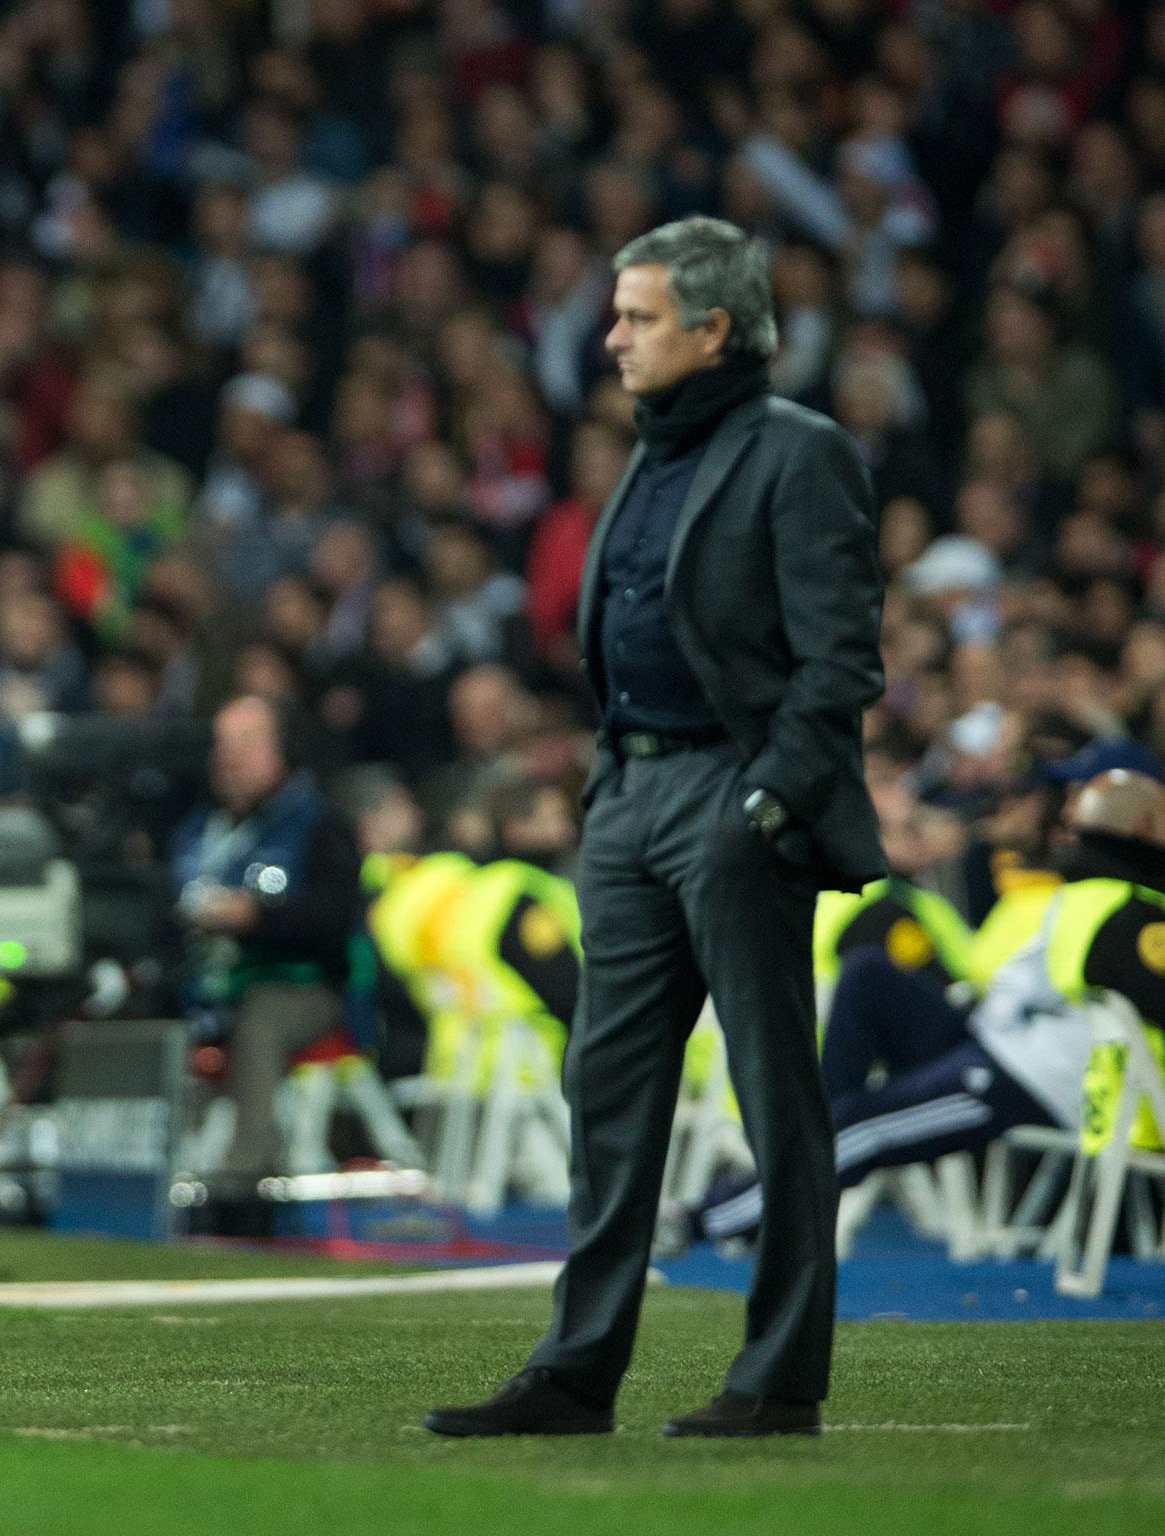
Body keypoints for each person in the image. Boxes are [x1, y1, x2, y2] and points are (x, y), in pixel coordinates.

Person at [427, 218, 886, 1440]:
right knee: (606, 1090)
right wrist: (606, 788)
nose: (611, 337)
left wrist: (766, 803)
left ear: (712, 329)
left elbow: (840, 663)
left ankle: (779, 1376)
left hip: (729, 797)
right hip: (627, 796)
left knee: (769, 1092)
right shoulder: (651, 449)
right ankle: (577, 1371)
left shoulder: (800, 455)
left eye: (635, 317)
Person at [683, 770, 1165, 1246]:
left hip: (1032, 1074)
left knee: (860, 1128)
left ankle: (704, 1221)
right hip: (1011, 1047)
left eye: (1069, 819)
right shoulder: (1119, 905)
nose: (1059, 829)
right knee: (869, 982)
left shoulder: (1110, 906)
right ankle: (817, 1131)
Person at [170, 695, 361, 1186]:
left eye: (247, 743)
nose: (229, 758)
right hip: (203, 985)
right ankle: (148, 1169)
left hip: (304, 987)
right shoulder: (195, 831)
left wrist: (255, 916)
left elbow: (335, 919)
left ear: (282, 750)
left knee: (259, 1020)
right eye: (222, 744)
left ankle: (245, 1173)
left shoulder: (318, 824)